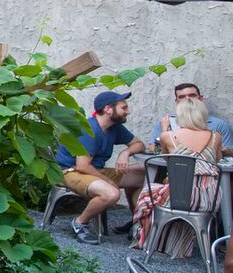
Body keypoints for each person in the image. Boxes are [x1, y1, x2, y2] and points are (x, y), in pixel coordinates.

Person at [54, 90, 146, 245]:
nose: (127, 111)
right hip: (71, 172)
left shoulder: (114, 127)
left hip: (92, 170)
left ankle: (136, 223)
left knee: (143, 177)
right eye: (124, 108)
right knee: (111, 194)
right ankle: (79, 223)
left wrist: (125, 153)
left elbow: (139, 144)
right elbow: (82, 165)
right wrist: (108, 181)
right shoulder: (89, 129)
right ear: (108, 109)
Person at [131, 97, 222, 250]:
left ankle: (147, 239)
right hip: (209, 198)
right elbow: (217, 159)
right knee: (161, 190)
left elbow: (164, 156)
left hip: (180, 198)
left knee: (147, 192)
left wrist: (165, 128)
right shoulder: (215, 137)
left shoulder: (169, 136)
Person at [149, 82, 233, 157]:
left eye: (192, 95)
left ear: (200, 98)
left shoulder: (219, 125)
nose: (187, 99)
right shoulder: (166, 121)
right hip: (204, 172)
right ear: (176, 101)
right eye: (182, 97)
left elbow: (229, 151)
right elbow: (154, 149)